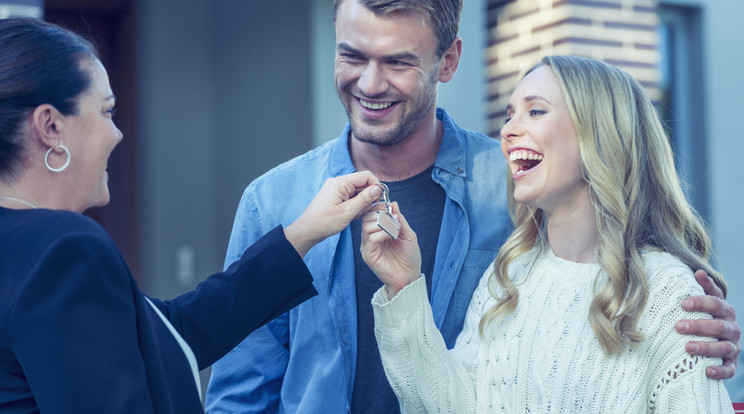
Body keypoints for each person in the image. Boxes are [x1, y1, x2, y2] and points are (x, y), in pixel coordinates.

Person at [205, 1, 740, 412]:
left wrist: (686, 329)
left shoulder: (516, 188)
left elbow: (616, 294)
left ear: (448, 60)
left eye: (397, 61)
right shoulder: (272, 200)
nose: (369, 83)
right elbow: (241, 390)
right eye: (352, 55)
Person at [0, 17, 383, 413]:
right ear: (50, 125)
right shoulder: (65, 250)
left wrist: (302, 234)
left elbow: (169, 333)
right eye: (106, 112)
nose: (116, 134)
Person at [363, 55, 734, 412]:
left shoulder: (670, 295)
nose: (507, 131)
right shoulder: (508, 277)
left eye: (535, 111)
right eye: (509, 116)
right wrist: (404, 285)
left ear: (601, 133)